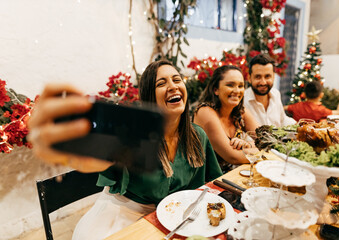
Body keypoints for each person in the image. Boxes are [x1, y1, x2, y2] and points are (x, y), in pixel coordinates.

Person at [28, 60, 223, 240]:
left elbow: (208, 186)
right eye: (161, 83)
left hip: (172, 215)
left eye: (176, 79)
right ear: (149, 97)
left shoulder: (197, 136)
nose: (172, 86)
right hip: (123, 213)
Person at [193, 65, 259, 173]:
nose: (237, 91)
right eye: (230, 85)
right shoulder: (205, 112)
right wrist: (263, 149)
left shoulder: (241, 112)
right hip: (204, 182)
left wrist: (247, 145)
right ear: (216, 90)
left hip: (229, 176)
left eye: (240, 86)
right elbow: (233, 156)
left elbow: (267, 138)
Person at [244, 53, 296, 127]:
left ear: (273, 77)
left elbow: (283, 119)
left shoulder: (276, 94)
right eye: (258, 77)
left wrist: (298, 125)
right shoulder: (242, 100)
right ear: (249, 78)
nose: (263, 82)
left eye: (267, 76)